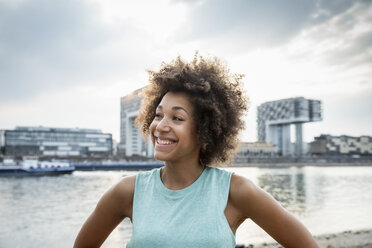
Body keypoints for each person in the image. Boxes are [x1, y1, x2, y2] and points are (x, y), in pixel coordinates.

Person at [74, 54, 319, 248]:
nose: (161, 126)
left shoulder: (236, 192)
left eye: (177, 118)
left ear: (205, 129)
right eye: (158, 115)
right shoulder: (127, 191)